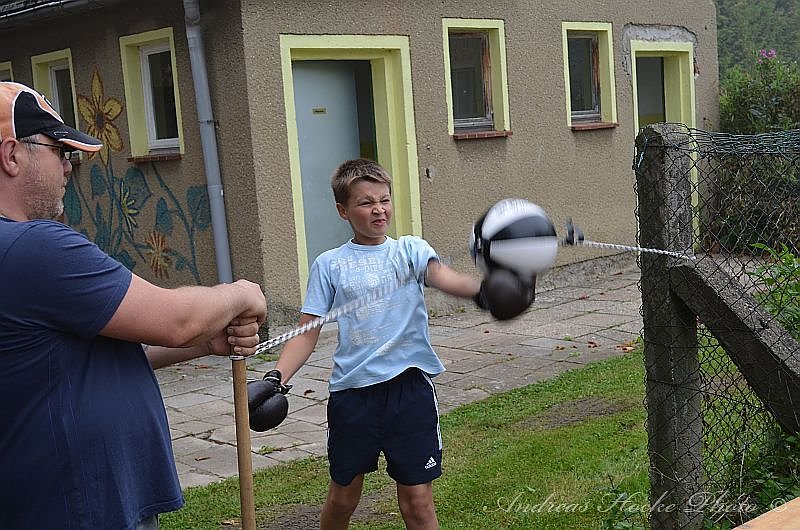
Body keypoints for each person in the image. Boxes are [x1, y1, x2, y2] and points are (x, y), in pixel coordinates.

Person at [0, 80, 267, 529]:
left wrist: (206, 343)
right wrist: (243, 292)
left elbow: (93, 351)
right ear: (11, 155)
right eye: (60, 152)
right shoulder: (32, 248)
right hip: (78, 509)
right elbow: (176, 320)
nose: (69, 168)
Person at [271, 158, 482, 530]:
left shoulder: (410, 250)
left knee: (418, 502)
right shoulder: (330, 264)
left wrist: (489, 290)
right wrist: (277, 378)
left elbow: (446, 279)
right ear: (343, 210)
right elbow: (307, 331)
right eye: (366, 202)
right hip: (353, 396)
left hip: (408, 392)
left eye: (384, 199)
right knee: (342, 497)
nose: (378, 209)